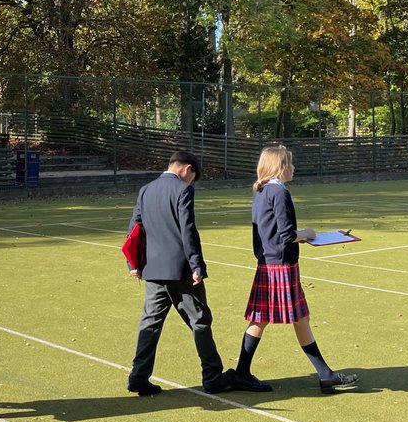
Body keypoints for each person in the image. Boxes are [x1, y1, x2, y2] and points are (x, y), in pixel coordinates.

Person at [235, 145, 359, 395]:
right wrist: (307, 234)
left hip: (271, 262)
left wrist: (298, 237)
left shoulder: (261, 189)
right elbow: (286, 234)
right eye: (289, 163)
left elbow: (270, 231)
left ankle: (325, 375)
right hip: (280, 265)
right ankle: (242, 374)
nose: (293, 167)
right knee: (268, 319)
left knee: (295, 318)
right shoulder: (278, 191)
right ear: (279, 166)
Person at [125, 151, 234, 396]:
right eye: (192, 176)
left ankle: (138, 377)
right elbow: (188, 229)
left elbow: (134, 228)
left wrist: (132, 263)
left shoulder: (146, 190)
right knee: (200, 321)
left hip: (152, 269)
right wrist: (197, 265)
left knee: (150, 323)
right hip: (180, 269)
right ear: (187, 168)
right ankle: (212, 376)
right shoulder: (183, 190)